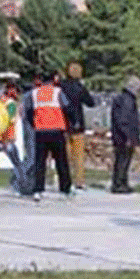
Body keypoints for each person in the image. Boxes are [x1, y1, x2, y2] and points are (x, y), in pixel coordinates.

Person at [23, 71, 72, 200]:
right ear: (53, 80)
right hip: (57, 130)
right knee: (61, 161)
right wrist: (68, 124)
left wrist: (34, 123)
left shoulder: (35, 93)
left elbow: (28, 111)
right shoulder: (58, 92)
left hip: (40, 131)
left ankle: (38, 189)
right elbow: (67, 108)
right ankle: (65, 188)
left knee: (40, 162)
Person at [60, 62, 97, 191]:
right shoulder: (80, 87)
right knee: (79, 155)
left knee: (64, 155)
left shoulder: (61, 86)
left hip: (63, 123)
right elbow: (91, 103)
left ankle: (65, 180)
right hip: (78, 124)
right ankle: (79, 181)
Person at [109, 76, 140, 193]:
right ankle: (119, 184)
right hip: (124, 136)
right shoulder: (127, 100)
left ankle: (121, 182)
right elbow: (124, 120)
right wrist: (129, 137)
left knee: (121, 161)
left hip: (119, 135)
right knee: (123, 161)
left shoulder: (121, 98)